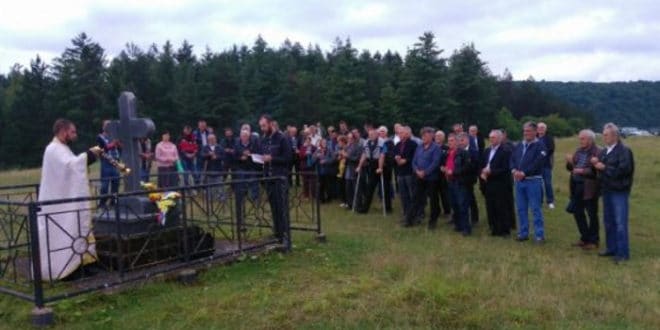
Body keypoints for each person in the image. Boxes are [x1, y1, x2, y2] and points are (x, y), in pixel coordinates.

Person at [38, 119, 102, 280]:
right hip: (56, 203)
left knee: (77, 230)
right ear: (63, 131)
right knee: (64, 233)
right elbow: (72, 167)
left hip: (63, 199)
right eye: (72, 132)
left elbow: (72, 168)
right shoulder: (53, 149)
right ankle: (66, 269)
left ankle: (83, 265)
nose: (75, 135)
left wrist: (90, 157)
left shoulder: (62, 148)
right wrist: (89, 155)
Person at [592, 123, 634, 263]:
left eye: (606, 135)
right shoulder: (604, 151)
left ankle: (623, 253)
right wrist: (596, 164)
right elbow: (600, 171)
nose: (604, 137)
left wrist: (604, 167)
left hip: (619, 191)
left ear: (615, 135)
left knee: (620, 222)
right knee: (608, 221)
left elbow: (624, 170)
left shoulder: (624, 151)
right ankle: (611, 248)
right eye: (603, 134)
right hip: (607, 190)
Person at [259, 114, 293, 249]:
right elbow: (265, 156)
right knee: (274, 207)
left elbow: (288, 158)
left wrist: (271, 158)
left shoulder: (282, 138)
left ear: (271, 124)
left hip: (280, 178)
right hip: (269, 178)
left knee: (282, 207)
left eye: (264, 125)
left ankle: (285, 237)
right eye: (261, 126)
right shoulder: (265, 139)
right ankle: (277, 233)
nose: (262, 128)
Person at [510, 122, 548, 243]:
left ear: (535, 131)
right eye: (524, 131)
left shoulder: (540, 146)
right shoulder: (519, 145)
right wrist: (514, 170)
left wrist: (524, 173)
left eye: (529, 131)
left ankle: (539, 234)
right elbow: (512, 158)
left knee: (535, 208)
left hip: (533, 181)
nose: (526, 133)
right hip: (519, 181)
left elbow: (538, 163)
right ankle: (523, 232)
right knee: (521, 208)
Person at [566, 129, 601, 250]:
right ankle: (585, 237)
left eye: (583, 138)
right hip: (576, 186)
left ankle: (594, 240)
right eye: (580, 138)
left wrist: (582, 171)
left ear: (590, 139)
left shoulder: (598, 151)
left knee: (592, 214)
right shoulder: (578, 151)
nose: (580, 141)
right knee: (577, 211)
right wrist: (569, 162)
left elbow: (597, 171)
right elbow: (571, 168)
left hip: (589, 187)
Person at [480, 130, 514, 236]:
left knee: (501, 206)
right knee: (491, 205)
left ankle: (504, 230)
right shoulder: (487, 151)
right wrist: (482, 172)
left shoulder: (505, 151)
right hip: (488, 182)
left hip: (501, 183)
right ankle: (494, 228)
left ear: (500, 138)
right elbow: (482, 164)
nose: (491, 139)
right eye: (490, 137)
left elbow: (506, 168)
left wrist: (491, 172)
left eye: (493, 137)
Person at [405, 127, 441, 229]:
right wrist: (417, 171)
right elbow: (414, 161)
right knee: (415, 198)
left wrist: (425, 172)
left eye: (426, 135)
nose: (423, 137)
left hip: (431, 179)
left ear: (432, 136)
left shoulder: (436, 148)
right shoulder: (419, 147)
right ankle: (410, 219)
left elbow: (435, 163)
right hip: (419, 177)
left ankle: (432, 222)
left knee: (433, 200)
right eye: (423, 135)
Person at [443, 133, 475, 236]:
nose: (449, 142)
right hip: (450, 181)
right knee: (454, 204)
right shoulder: (448, 153)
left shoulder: (464, 153)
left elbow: (468, 167)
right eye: (448, 141)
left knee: (462, 205)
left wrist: (454, 172)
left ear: (457, 142)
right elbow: (446, 164)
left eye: (452, 140)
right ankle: (458, 225)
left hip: (460, 182)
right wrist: (444, 169)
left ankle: (466, 228)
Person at [356, 129, 392, 214]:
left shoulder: (383, 142)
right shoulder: (367, 142)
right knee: (370, 187)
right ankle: (365, 208)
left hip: (383, 166)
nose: (370, 136)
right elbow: (364, 154)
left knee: (385, 187)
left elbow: (382, 155)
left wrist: (380, 167)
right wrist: (359, 166)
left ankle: (388, 208)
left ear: (377, 135)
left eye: (372, 134)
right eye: (369, 135)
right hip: (372, 165)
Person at [394, 126, 418, 218]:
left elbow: (414, 157)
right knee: (403, 194)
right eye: (399, 133)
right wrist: (396, 158)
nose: (399, 135)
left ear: (407, 134)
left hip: (409, 172)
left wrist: (406, 160)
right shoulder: (398, 144)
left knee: (412, 193)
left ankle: (414, 212)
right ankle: (406, 211)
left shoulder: (413, 144)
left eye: (401, 133)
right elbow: (394, 154)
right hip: (400, 172)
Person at [97, 120, 121, 206]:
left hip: (115, 162)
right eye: (106, 125)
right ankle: (102, 203)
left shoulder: (115, 136)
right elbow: (102, 149)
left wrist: (118, 144)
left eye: (109, 125)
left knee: (116, 183)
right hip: (106, 162)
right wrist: (113, 144)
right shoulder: (100, 137)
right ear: (103, 127)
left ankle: (113, 202)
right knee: (105, 185)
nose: (108, 126)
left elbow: (121, 147)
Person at [234, 129, 261, 202]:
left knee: (254, 183)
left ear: (249, 136)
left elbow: (258, 154)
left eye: (246, 136)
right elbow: (234, 157)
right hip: (241, 167)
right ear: (240, 137)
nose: (244, 137)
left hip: (252, 166)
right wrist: (240, 158)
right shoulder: (237, 145)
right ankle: (241, 199)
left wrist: (250, 154)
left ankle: (255, 199)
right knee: (241, 183)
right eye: (243, 136)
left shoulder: (254, 144)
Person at [342, 133, 363, 210]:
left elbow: (357, 158)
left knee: (356, 188)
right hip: (348, 169)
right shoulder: (348, 147)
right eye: (348, 138)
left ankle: (358, 205)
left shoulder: (359, 147)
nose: (349, 140)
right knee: (348, 188)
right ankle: (350, 204)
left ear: (354, 139)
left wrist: (347, 156)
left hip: (354, 169)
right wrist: (344, 157)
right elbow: (346, 156)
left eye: (350, 138)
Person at [537, 122, 556, 209]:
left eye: (542, 128)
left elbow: (551, 149)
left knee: (547, 183)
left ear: (545, 129)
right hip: (536, 165)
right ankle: (539, 201)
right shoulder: (535, 138)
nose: (540, 129)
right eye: (539, 128)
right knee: (538, 183)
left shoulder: (549, 138)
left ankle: (550, 201)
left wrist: (542, 154)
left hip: (546, 164)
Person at [202, 134, 226, 201]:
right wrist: (208, 155)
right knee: (209, 186)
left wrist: (217, 157)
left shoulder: (220, 147)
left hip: (218, 169)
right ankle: (209, 198)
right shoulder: (205, 147)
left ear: (215, 139)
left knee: (219, 185)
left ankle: (221, 198)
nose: (212, 140)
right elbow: (202, 156)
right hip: (208, 169)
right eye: (210, 139)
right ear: (208, 140)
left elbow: (224, 156)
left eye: (213, 139)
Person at [434, 130, 452, 217]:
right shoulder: (432, 147)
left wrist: (445, 167)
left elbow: (449, 160)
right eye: (437, 136)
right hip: (433, 174)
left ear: (443, 138)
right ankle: (436, 210)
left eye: (440, 136)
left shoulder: (447, 148)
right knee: (434, 194)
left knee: (444, 193)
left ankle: (447, 211)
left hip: (443, 174)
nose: (438, 137)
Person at [193, 120, 210, 185]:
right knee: (198, 170)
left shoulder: (209, 133)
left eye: (204, 126)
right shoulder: (195, 133)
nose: (203, 127)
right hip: (199, 154)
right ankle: (197, 184)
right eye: (201, 126)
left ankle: (205, 185)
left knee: (207, 170)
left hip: (207, 153)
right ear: (199, 126)